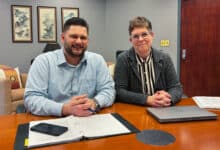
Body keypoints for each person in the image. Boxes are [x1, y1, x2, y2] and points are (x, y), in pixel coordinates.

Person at [24, 17, 115, 116]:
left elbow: (109, 90)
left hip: (89, 119)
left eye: (83, 38)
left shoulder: (97, 60)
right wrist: (64, 109)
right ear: (63, 38)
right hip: (54, 121)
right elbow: (31, 99)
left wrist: (95, 102)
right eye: (74, 36)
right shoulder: (43, 62)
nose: (79, 41)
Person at [114, 16, 182, 107]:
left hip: (163, 108)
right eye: (136, 36)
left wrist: (168, 98)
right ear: (131, 40)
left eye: (144, 34)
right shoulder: (123, 59)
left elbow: (176, 87)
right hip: (136, 109)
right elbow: (119, 91)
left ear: (152, 35)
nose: (141, 39)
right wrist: (147, 99)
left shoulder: (165, 58)